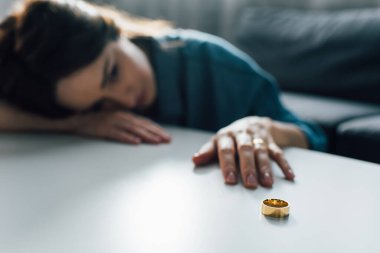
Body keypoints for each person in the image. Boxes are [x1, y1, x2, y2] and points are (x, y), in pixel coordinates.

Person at [0, 0, 327, 189]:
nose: (124, 102)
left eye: (112, 72)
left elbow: (315, 137)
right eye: (99, 104)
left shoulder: (215, 64)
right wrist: (76, 123)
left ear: (115, 29)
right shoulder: (70, 109)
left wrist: (262, 128)